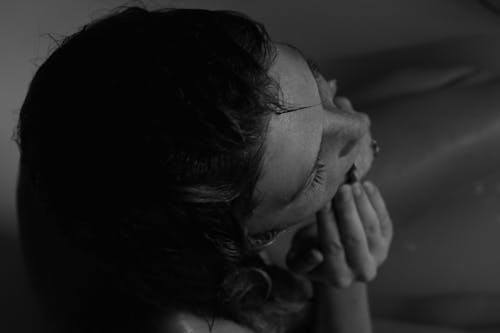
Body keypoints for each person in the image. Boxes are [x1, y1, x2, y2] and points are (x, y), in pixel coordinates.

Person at [14, 6, 392, 333]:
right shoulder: (181, 328)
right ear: (251, 236)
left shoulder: (79, 114)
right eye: (314, 173)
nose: (359, 122)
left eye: (315, 80)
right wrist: (345, 282)